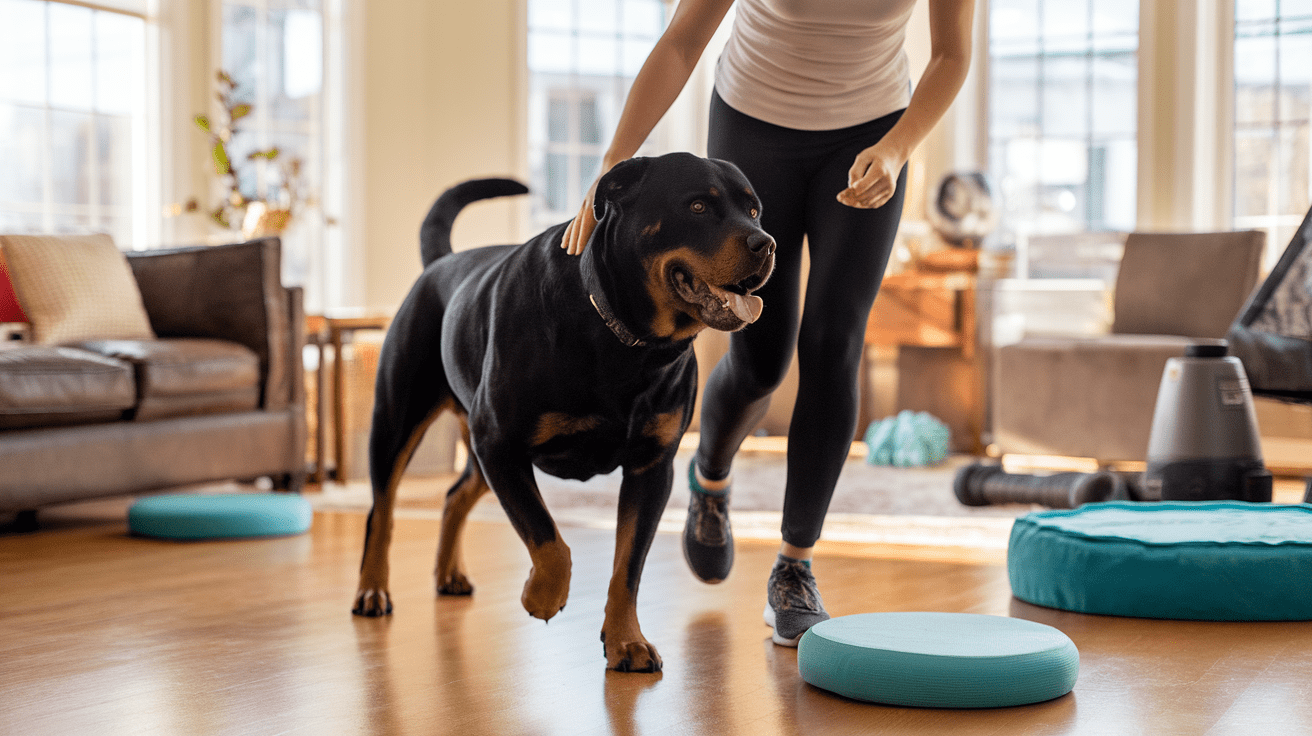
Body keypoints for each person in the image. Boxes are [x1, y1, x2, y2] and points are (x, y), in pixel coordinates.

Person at [560, 0, 975, 646]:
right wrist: (615, 160)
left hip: (871, 133)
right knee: (760, 357)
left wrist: (896, 151)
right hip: (753, 123)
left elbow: (951, 56)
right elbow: (681, 40)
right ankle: (712, 475)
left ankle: (794, 567)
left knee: (833, 340)